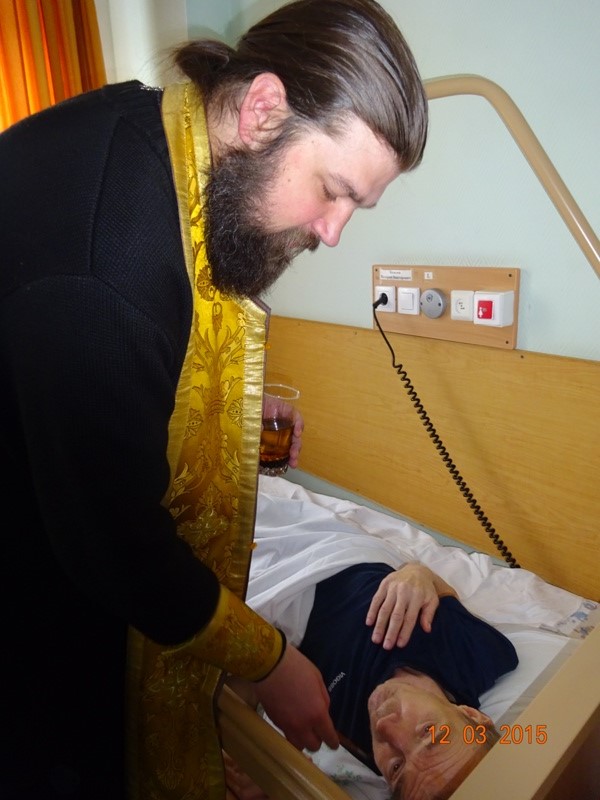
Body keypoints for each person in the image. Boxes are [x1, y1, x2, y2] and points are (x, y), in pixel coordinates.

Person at [0, 1, 428, 799]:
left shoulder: (158, 136)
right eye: (332, 190)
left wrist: (229, 414)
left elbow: (136, 349)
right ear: (263, 109)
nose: (333, 232)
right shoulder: (104, 274)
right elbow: (113, 544)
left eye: (355, 207)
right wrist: (269, 661)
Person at [226, 561, 518, 800]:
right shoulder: (479, 654)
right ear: (471, 715)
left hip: (265, 583)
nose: (385, 727)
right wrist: (415, 573)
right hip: (334, 551)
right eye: (429, 733)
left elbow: (252, 686)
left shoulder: (339, 734)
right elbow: (435, 585)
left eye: (396, 767)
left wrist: (256, 761)